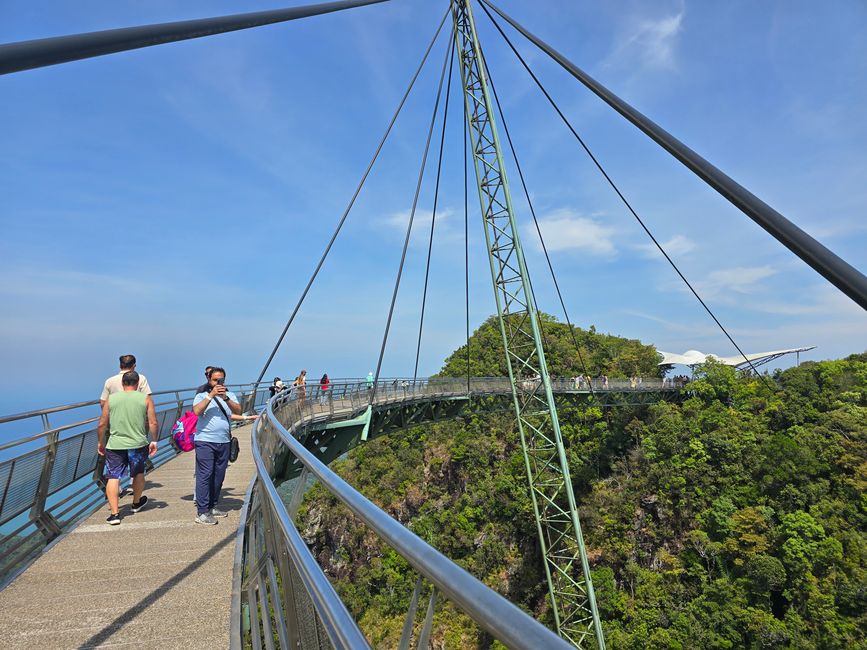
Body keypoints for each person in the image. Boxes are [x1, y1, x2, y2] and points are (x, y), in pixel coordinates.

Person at [192, 367, 257, 525]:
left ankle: (213, 506)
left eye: (221, 380)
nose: (218, 383)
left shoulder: (230, 395)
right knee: (205, 475)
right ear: (209, 380)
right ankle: (202, 511)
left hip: (224, 441)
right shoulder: (201, 395)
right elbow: (196, 411)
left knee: (219, 475)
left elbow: (237, 410)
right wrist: (211, 395)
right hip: (205, 441)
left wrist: (225, 398)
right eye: (215, 380)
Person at [97, 371, 158, 525]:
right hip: (138, 444)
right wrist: (154, 441)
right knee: (137, 472)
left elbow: (102, 423)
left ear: (123, 383)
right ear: (137, 383)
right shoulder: (145, 398)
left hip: (115, 444)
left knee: (113, 476)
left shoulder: (111, 399)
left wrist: (100, 442)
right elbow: (153, 423)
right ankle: (136, 503)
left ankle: (115, 514)